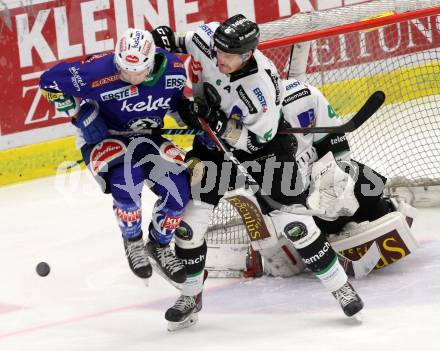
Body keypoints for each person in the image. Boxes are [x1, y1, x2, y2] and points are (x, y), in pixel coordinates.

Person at [152, 14, 364, 331]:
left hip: (263, 151)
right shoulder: (209, 39)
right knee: (188, 226)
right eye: (218, 51)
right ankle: (190, 297)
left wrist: (222, 124)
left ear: (247, 54)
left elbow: (255, 141)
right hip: (211, 147)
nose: (219, 58)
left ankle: (340, 287)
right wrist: (160, 38)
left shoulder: (260, 88)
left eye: (227, 55)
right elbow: (178, 41)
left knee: (294, 225)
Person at [39, 28, 191, 284]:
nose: (130, 77)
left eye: (137, 72)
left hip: (148, 137)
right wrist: (78, 115)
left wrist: (188, 112)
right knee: (126, 183)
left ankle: (160, 244)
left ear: (151, 63)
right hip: (107, 137)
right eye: (123, 70)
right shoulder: (96, 71)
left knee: (179, 191)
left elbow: (175, 103)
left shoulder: (174, 68)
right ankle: (132, 240)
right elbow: (48, 81)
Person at [256, 78, 417, 278]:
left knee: (370, 189)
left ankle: (378, 209)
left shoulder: (303, 95)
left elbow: (336, 146)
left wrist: (338, 182)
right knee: (323, 221)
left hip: (323, 174)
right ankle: (327, 234)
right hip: (291, 195)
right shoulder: (241, 121)